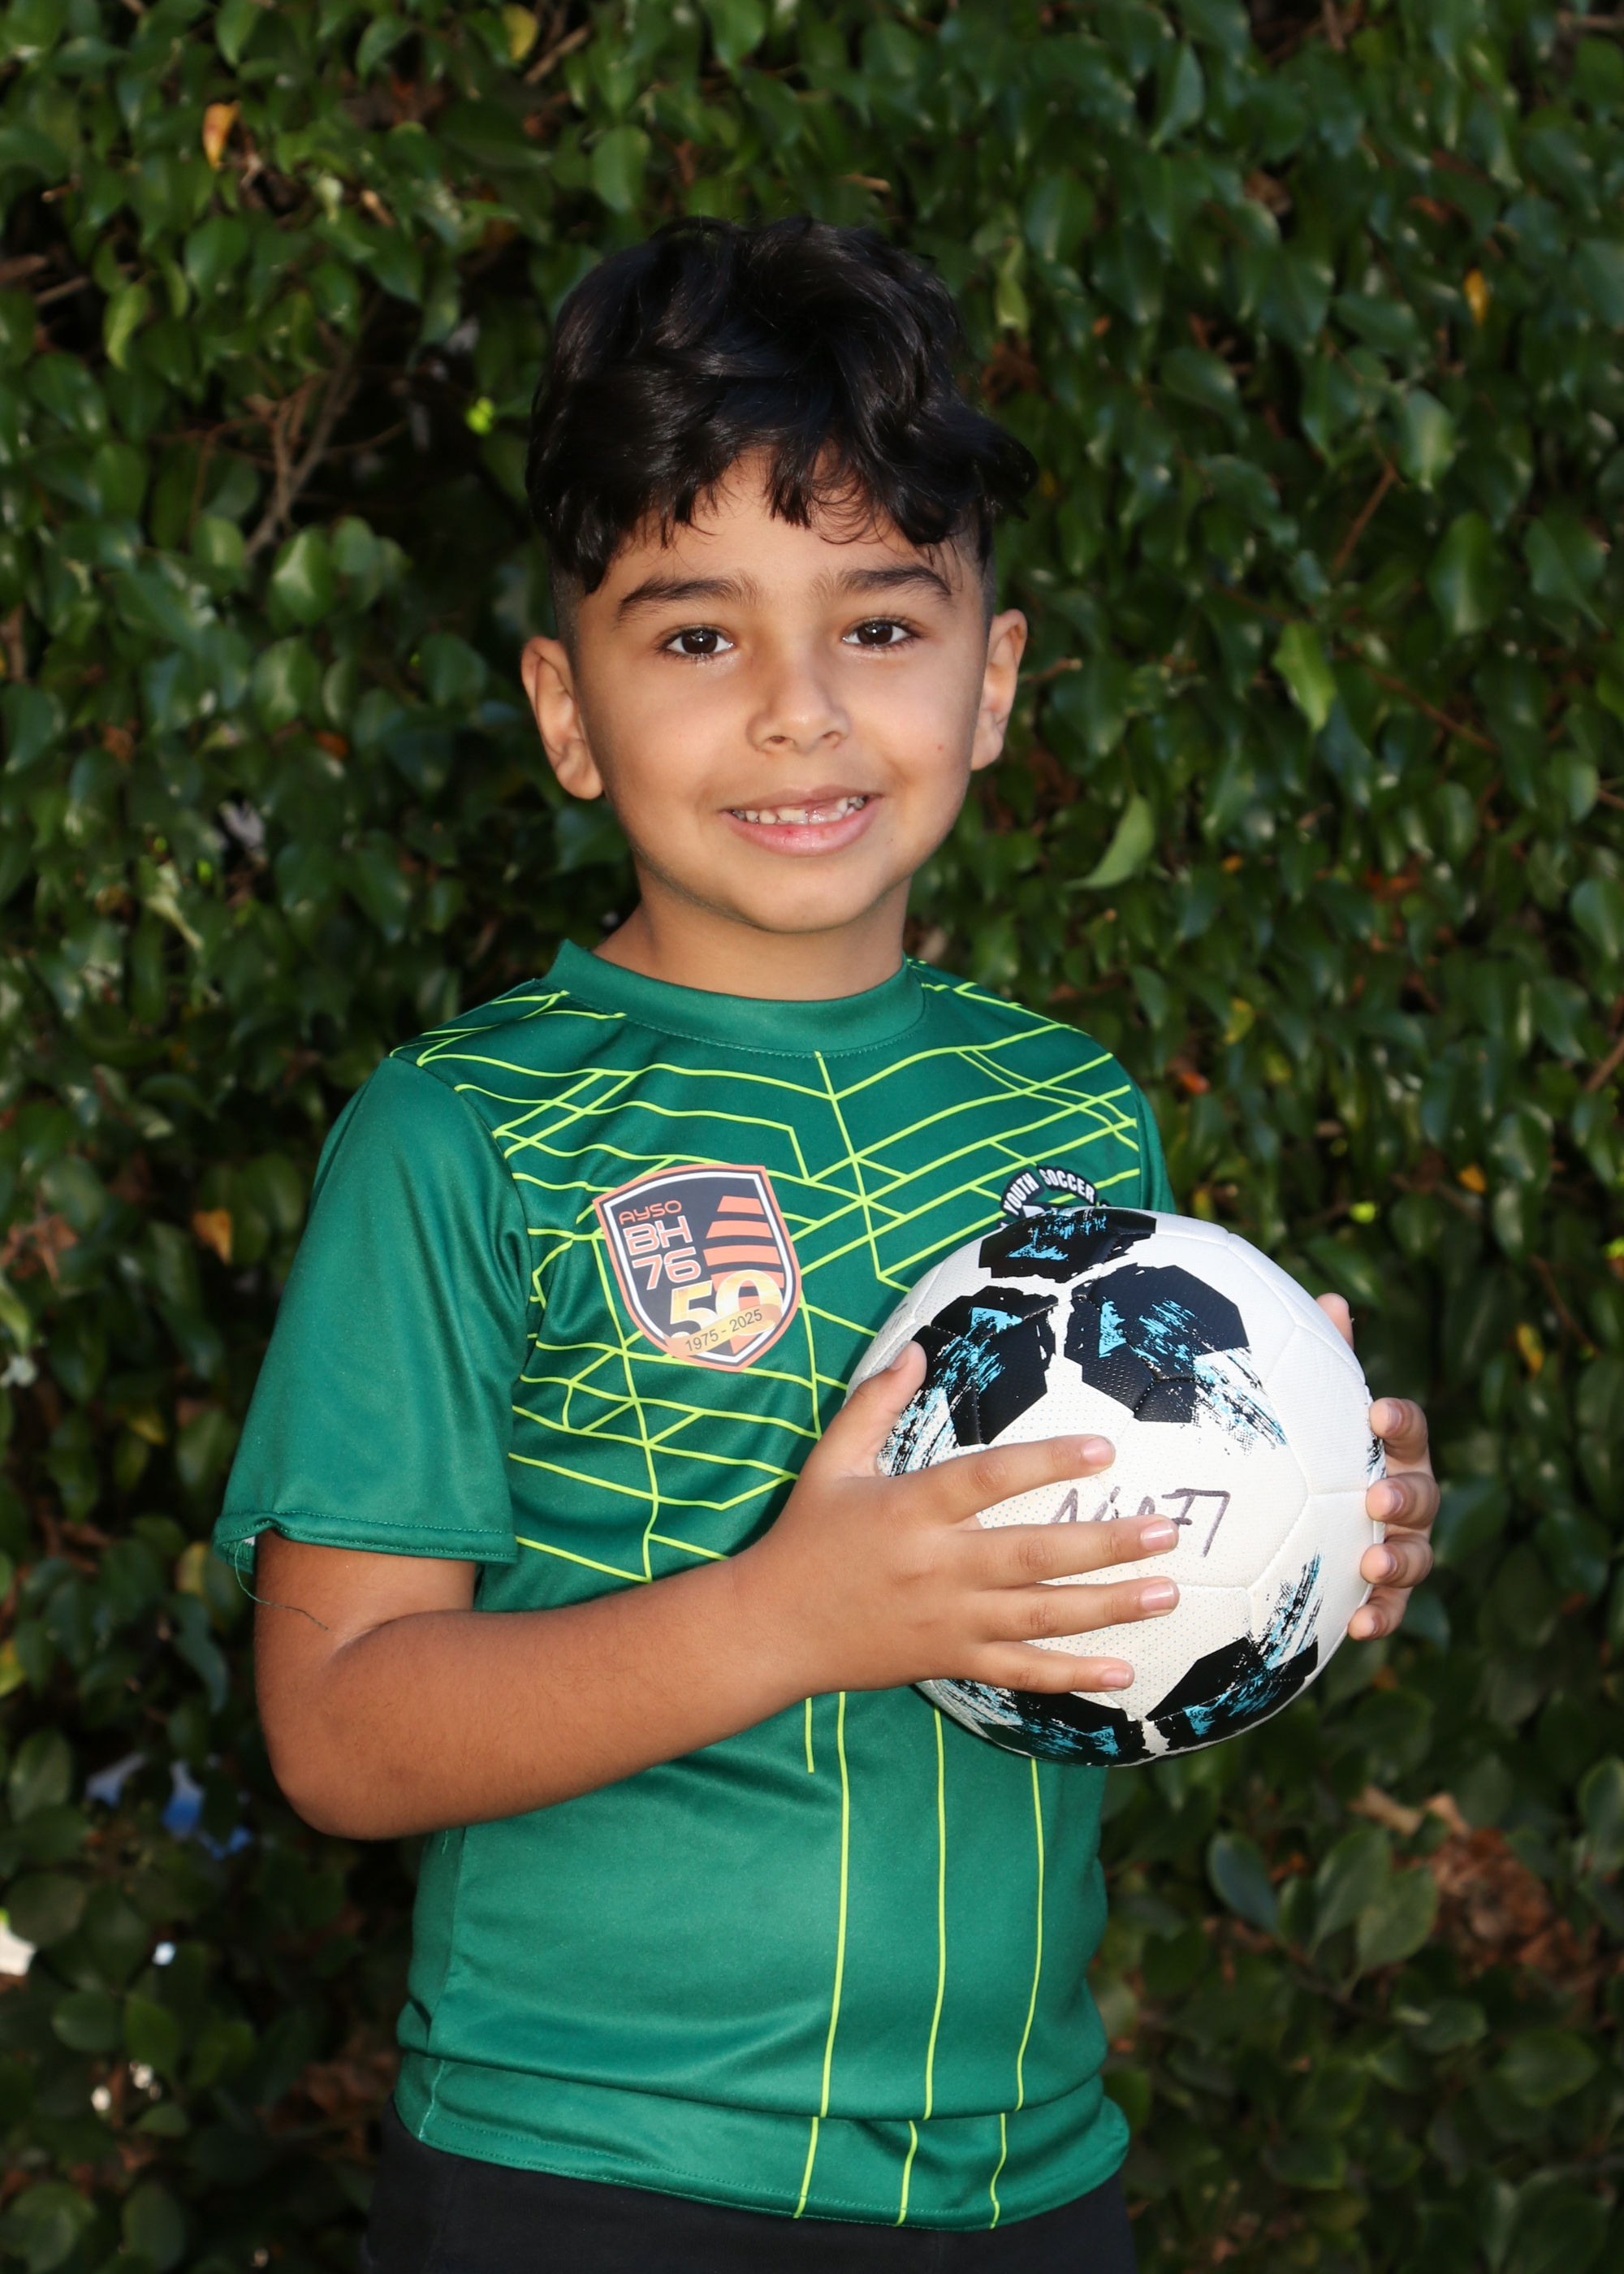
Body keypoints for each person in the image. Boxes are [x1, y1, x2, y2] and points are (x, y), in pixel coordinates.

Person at [215, 218, 1438, 2272]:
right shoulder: (464, 1137)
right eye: (697, 638)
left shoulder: (1069, 1113)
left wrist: (1294, 1530)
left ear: (992, 680)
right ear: (567, 709)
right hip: (590, 2179)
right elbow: (337, 1728)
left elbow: (1081, 1634)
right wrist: (791, 1613)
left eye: (878, 624)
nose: (800, 713)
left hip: (1028, 2175)